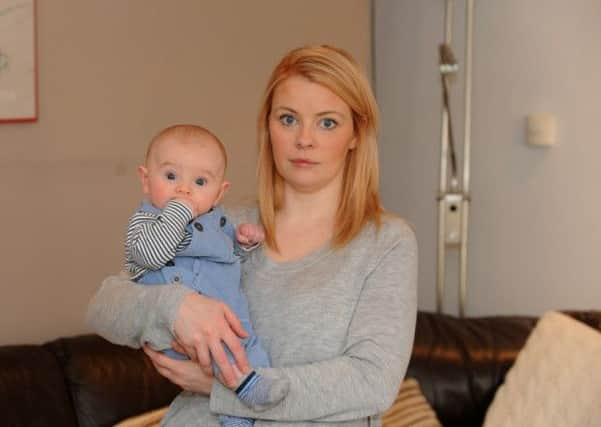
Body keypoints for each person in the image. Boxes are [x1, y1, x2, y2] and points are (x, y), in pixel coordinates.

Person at [87, 44, 418, 426]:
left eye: (327, 122)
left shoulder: (386, 242)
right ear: (269, 127)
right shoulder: (221, 224)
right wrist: (176, 307)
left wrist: (226, 387)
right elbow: (104, 307)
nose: (304, 139)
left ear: (356, 134)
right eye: (288, 119)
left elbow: (371, 383)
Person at [124, 124, 288, 427]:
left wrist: (242, 245)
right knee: (222, 357)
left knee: (251, 350)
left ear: (218, 192)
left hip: (231, 321)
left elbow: (226, 260)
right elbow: (151, 256)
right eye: (171, 176)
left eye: (200, 181)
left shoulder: (219, 221)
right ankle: (238, 408)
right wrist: (178, 212)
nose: (183, 190)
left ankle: (251, 397)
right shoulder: (145, 221)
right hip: (182, 335)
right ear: (145, 180)